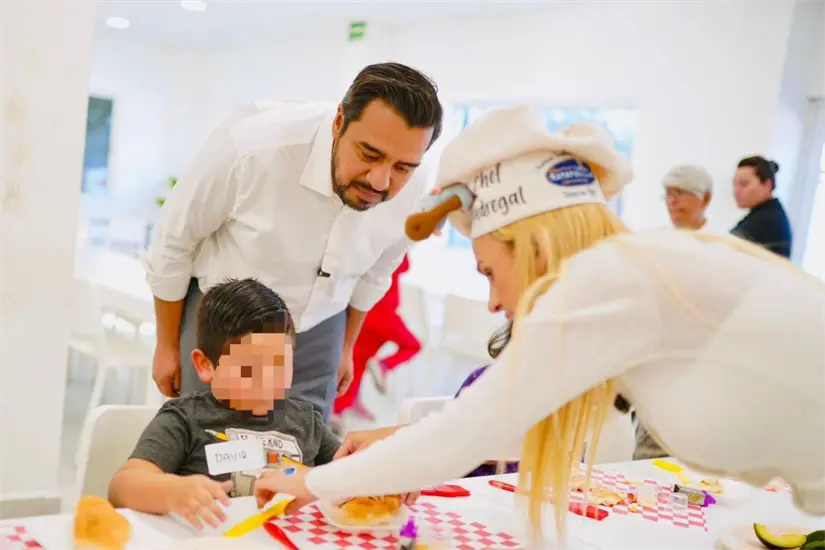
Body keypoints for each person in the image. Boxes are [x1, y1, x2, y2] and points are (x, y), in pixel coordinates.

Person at [250, 105, 825, 544]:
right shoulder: (642, 272)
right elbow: (519, 422)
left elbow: (467, 435)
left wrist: (309, 484)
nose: (495, 301)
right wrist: (400, 447)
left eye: (490, 270)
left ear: (535, 246)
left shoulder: (608, 281)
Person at [144, 63, 443, 421]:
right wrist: (166, 345)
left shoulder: (414, 184)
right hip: (224, 321)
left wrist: (346, 347)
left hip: (322, 325)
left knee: (302, 448)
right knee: (208, 443)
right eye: (369, 154)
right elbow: (173, 244)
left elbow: (376, 274)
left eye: (402, 168)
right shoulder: (251, 148)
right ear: (338, 122)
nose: (380, 181)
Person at [108, 278, 342, 531]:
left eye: (280, 364)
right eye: (249, 369)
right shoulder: (186, 419)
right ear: (205, 365)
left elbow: (351, 472)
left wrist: (318, 480)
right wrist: (172, 492)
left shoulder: (306, 420)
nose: (268, 380)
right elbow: (122, 486)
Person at [333, 254, 421, 421]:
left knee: (358, 361)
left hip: (367, 313)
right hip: (384, 315)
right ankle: (383, 365)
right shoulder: (394, 245)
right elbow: (403, 266)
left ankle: (343, 407)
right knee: (412, 345)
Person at [732, 155, 792, 258]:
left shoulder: (767, 220)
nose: (736, 191)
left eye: (743, 184)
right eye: (734, 184)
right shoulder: (766, 213)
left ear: (767, 185)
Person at [662, 164, 713, 231]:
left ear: (705, 199)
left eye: (680, 193)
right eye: (668, 194)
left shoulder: (723, 240)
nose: (671, 201)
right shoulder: (653, 239)